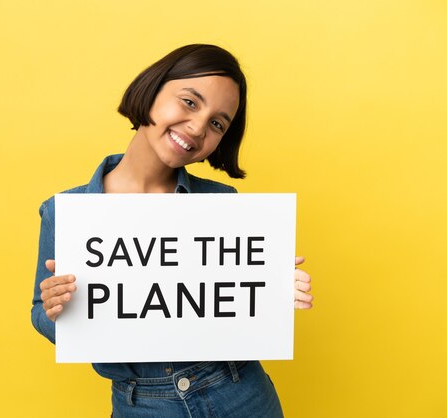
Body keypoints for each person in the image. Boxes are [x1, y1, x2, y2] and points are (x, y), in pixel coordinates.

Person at [31, 44, 314, 417]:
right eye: (190, 102)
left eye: (217, 124)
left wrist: (272, 290)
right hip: (141, 403)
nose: (197, 128)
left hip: (239, 394)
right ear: (151, 91)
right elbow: (41, 313)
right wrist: (56, 309)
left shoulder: (222, 202)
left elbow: (230, 307)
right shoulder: (66, 211)